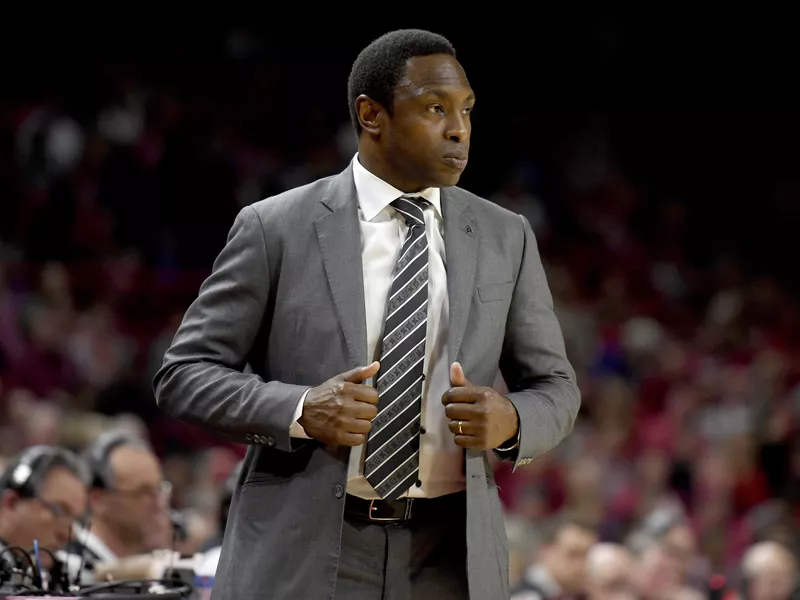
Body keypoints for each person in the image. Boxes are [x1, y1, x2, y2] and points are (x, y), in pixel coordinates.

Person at [154, 28, 579, 600]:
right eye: (435, 108)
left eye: (466, 110)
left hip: (450, 553)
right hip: (307, 547)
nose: (459, 129)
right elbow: (183, 375)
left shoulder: (507, 235)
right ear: (371, 114)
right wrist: (302, 408)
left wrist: (512, 421)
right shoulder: (275, 227)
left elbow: (556, 386)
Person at [63, 431, 171, 583]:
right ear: (97, 499)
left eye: (160, 489)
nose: (159, 503)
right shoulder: (68, 568)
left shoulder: (156, 560)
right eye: (143, 493)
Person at [0, 446, 88, 585]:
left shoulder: (54, 571)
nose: (66, 534)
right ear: (11, 503)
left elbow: (97, 573)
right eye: (58, 511)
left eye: (75, 519)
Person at [511, 516, 597, 600]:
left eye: (586, 556)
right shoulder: (525, 596)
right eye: (573, 555)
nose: (581, 565)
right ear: (546, 552)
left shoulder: (578, 593)